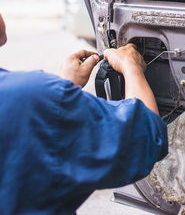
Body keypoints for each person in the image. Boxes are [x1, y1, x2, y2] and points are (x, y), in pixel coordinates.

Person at [0, 14, 168, 214]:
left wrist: (64, 90)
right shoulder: (33, 98)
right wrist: (131, 67)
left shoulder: (33, 100)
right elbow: (146, 137)